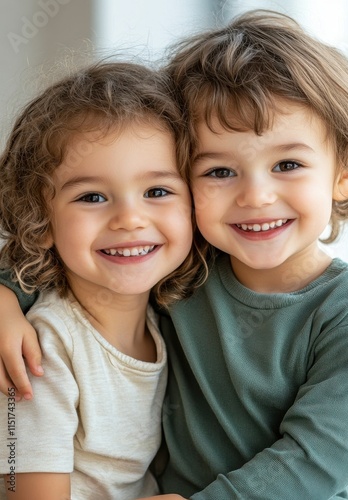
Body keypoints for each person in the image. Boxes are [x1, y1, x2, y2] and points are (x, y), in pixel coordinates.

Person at [1, 9, 348, 500]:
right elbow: (70, 256)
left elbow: (320, 456)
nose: (256, 196)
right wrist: (5, 296)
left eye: (287, 164)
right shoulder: (187, 267)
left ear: (345, 174)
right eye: (220, 171)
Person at [0, 60, 199, 500]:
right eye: (92, 196)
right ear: (41, 221)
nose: (129, 219)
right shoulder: (44, 351)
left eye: (157, 191)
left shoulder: (168, 320)